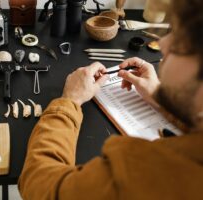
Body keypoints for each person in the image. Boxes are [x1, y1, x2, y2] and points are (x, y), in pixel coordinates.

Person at [18, 0, 203, 199]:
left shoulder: (147, 173)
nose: (165, 44)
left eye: (185, 41)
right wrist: (162, 98)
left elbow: (41, 184)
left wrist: (69, 101)